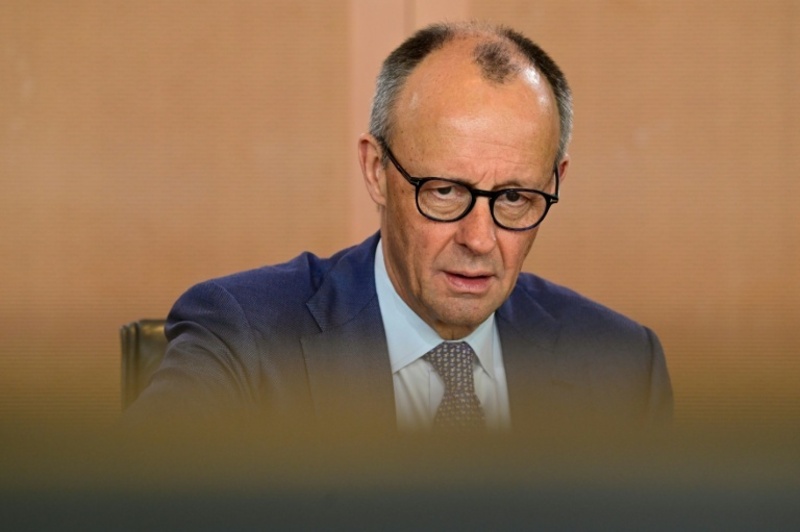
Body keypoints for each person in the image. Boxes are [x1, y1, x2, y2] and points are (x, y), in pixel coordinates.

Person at [128, 22, 672, 434]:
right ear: (377, 171)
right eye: (445, 191)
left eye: (513, 198)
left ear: (556, 181)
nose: (479, 240)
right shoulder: (243, 341)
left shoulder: (621, 365)